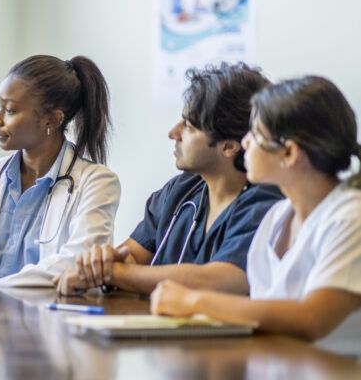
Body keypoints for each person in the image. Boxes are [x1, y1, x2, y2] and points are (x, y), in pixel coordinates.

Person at [151, 76, 361, 355]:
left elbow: (310, 319)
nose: (245, 142)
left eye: (256, 135)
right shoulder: (277, 217)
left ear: (288, 153)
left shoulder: (350, 217)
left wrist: (193, 301)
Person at [56, 62, 283, 296]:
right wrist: (102, 263)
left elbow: (225, 278)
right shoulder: (182, 188)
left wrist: (113, 273)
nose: (173, 133)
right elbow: (132, 256)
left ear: (228, 146)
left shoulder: (265, 201)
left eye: (189, 126)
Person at [0, 54, 121, 287]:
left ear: (52, 119)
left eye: (10, 110)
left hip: (48, 320)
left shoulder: (97, 183)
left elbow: (77, 264)